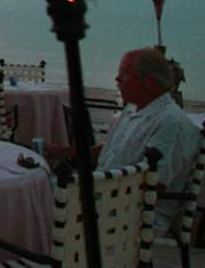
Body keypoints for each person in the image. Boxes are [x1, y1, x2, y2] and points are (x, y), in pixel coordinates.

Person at [48, 48, 199, 233]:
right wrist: (60, 151)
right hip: (106, 194)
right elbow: (109, 151)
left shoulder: (172, 124)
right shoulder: (133, 109)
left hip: (132, 215)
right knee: (40, 193)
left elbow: (150, 186)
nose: (117, 80)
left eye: (124, 75)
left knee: (42, 206)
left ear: (149, 82)